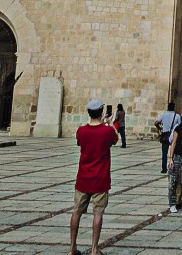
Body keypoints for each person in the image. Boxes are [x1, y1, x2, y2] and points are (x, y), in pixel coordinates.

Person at [69, 98, 118, 255]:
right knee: (98, 214)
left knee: (76, 212)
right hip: (100, 180)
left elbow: (81, 143)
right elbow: (114, 139)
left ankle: (72, 249)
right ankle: (94, 250)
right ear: (102, 112)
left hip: (83, 179)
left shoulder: (81, 131)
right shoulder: (107, 131)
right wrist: (109, 123)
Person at [155, 101, 179, 174]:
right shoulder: (177, 116)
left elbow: (156, 122)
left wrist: (159, 128)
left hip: (165, 135)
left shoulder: (164, 115)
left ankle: (164, 168)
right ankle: (173, 166)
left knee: (164, 153)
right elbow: (180, 125)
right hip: (174, 135)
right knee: (174, 152)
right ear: (174, 108)